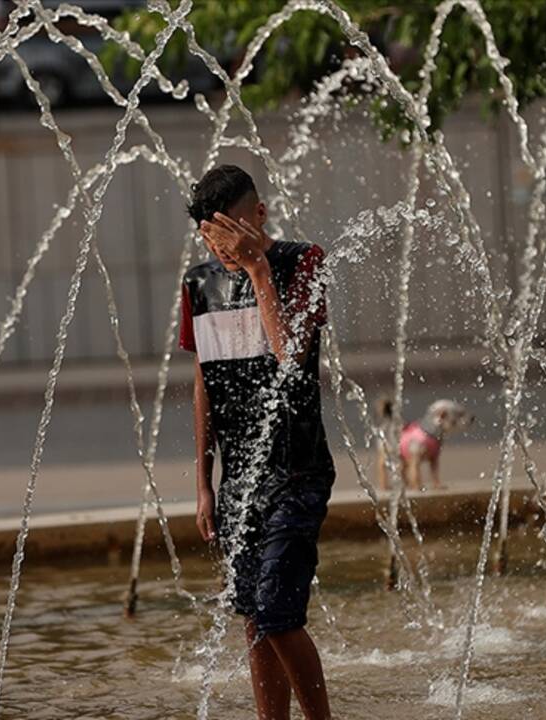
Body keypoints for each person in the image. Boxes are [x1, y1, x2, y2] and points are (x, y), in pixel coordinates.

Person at [181, 165, 334, 720]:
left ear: (259, 214)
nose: (222, 246)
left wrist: (259, 270)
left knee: (277, 612)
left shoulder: (302, 263)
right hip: (239, 480)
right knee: (252, 613)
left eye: (231, 230)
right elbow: (204, 380)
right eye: (210, 235)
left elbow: (292, 358)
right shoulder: (199, 286)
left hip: (296, 471)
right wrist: (203, 484)